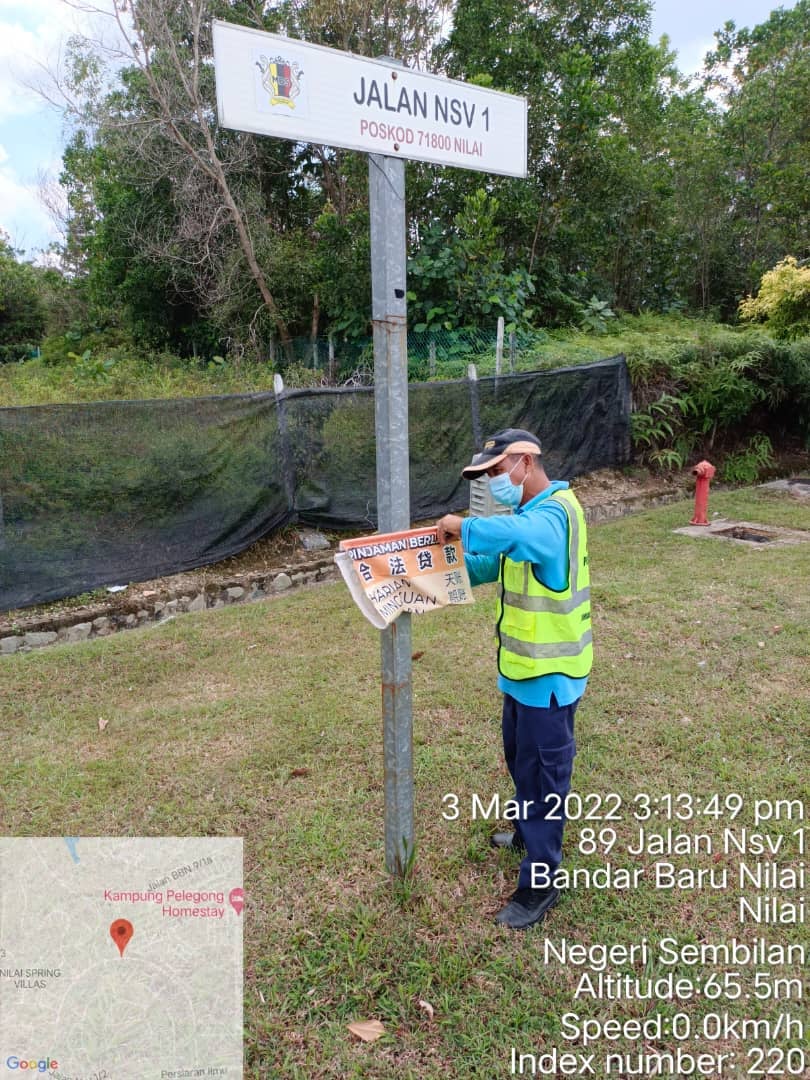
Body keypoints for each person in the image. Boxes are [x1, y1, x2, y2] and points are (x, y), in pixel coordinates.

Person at [436, 428, 592, 930]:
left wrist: (464, 526)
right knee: (520, 760)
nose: (493, 482)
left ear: (526, 462)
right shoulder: (524, 517)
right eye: (486, 476)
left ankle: (539, 885)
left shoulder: (556, 513)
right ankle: (526, 831)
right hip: (521, 674)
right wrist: (427, 561)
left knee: (546, 779)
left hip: (551, 676)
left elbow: (519, 539)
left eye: (497, 471)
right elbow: (488, 565)